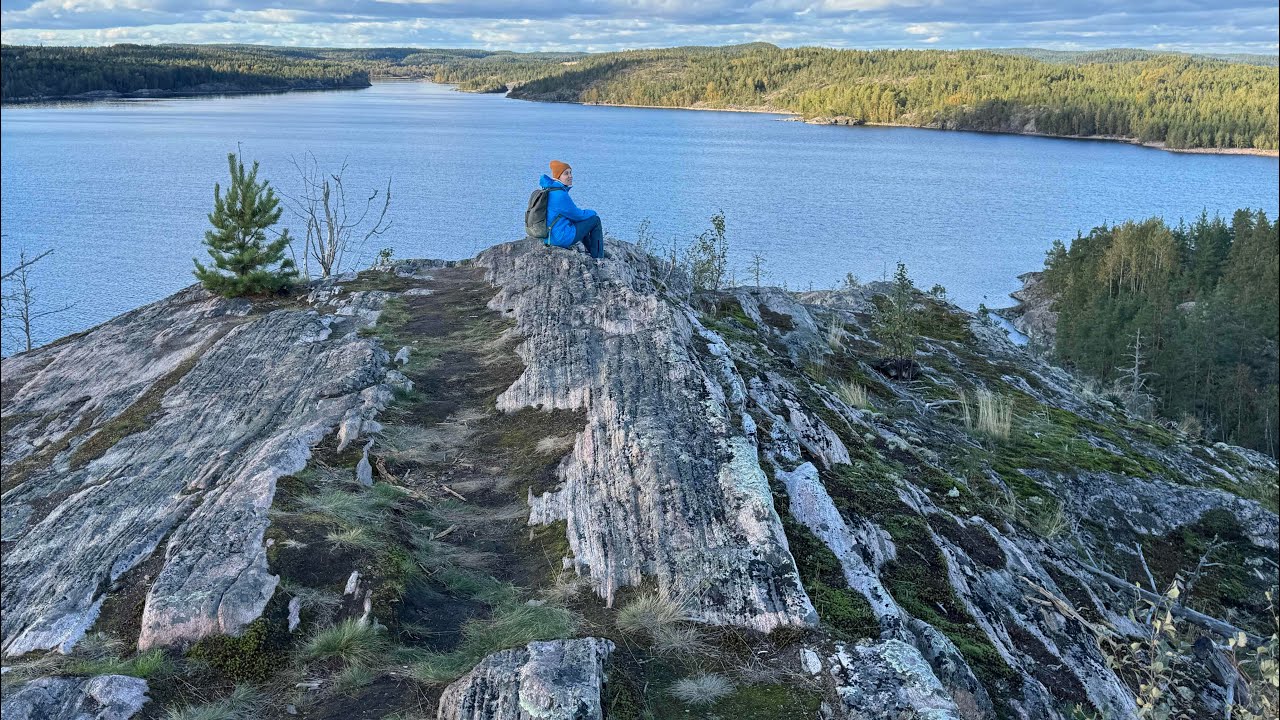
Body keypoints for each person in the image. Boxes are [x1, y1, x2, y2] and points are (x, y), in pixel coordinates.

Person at [540, 160, 606, 259]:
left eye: (571, 172)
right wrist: (593, 212)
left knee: (581, 222)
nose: (570, 176)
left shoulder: (549, 190)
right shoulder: (560, 195)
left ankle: (593, 250)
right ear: (558, 176)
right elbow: (577, 215)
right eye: (566, 173)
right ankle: (599, 257)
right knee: (595, 220)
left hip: (548, 236)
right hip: (560, 238)